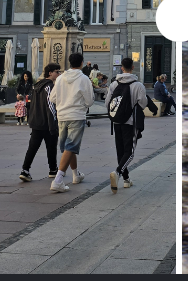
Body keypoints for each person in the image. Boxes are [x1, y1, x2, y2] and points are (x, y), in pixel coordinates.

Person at [106, 57, 156, 193]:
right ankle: (117, 173)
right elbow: (143, 103)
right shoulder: (138, 85)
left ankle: (126, 179)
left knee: (120, 150)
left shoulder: (114, 84)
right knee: (130, 152)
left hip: (116, 121)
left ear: (122, 68)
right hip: (130, 122)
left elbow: (107, 103)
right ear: (132, 67)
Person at [48, 53, 94, 192]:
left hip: (62, 116)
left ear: (69, 62)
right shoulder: (84, 79)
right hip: (77, 115)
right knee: (71, 146)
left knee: (69, 146)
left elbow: (52, 97)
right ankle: (58, 179)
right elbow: (90, 100)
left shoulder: (60, 78)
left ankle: (75, 174)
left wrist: (63, 102)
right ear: (81, 63)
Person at [19, 63, 61, 182]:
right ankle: (53, 170)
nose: (59, 74)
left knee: (33, 147)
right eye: (57, 72)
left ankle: (25, 170)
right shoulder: (49, 87)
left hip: (36, 121)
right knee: (51, 146)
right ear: (50, 73)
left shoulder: (36, 86)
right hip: (46, 122)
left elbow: (31, 104)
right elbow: (50, 105)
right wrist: (53, 122)